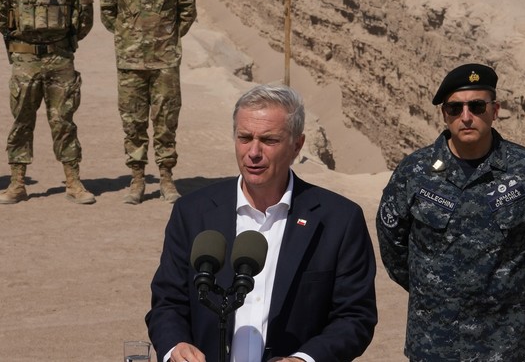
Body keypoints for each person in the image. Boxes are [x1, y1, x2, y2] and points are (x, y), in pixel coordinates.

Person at [147, 84, 377, 361]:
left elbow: (355, 316)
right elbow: (168, 302)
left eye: (269, 140)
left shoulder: (339, 220)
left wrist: (304, 359)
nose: (253, 152)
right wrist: (176, 346)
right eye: (245, 138)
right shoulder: (192, 213)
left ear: (297, 145)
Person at [376, 63, 525, 361]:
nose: (466, 117)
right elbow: (393, 244)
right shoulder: (414, 172)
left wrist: (513, 292)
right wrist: (434, 293)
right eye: (455, 108)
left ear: (495, 110)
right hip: (434, 343)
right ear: (445, 114)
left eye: (477, 106)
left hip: (505, 343)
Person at [0, 0, 96, 205]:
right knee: (22, 121)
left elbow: (85, 17)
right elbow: (0, 16)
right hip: (25, 60)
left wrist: (65, 43)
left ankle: (73, 182)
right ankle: (17, 183)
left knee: (63, 121)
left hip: (60, 59)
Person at [100, 0, 197, 205]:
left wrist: (167, 37)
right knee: (133, 122)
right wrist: (128, 37)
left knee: (166, 120)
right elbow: (107, 12)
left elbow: (187, 10)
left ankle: (166, 178)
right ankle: (138, 179)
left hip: (164, 62)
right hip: (130, 63)